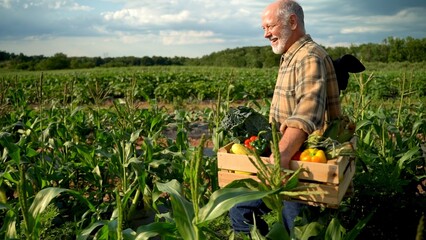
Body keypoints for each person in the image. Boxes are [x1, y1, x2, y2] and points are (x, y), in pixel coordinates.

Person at [229, 0, 342, 236]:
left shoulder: (309, 56)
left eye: (269, 26)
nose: (265, 34)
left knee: (297, 229)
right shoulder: (292, 55)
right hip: (290, 157)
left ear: (292, 22)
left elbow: (306, 111)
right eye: (263, 29)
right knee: (242, 209)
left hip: (302, 165)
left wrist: (279, 159)